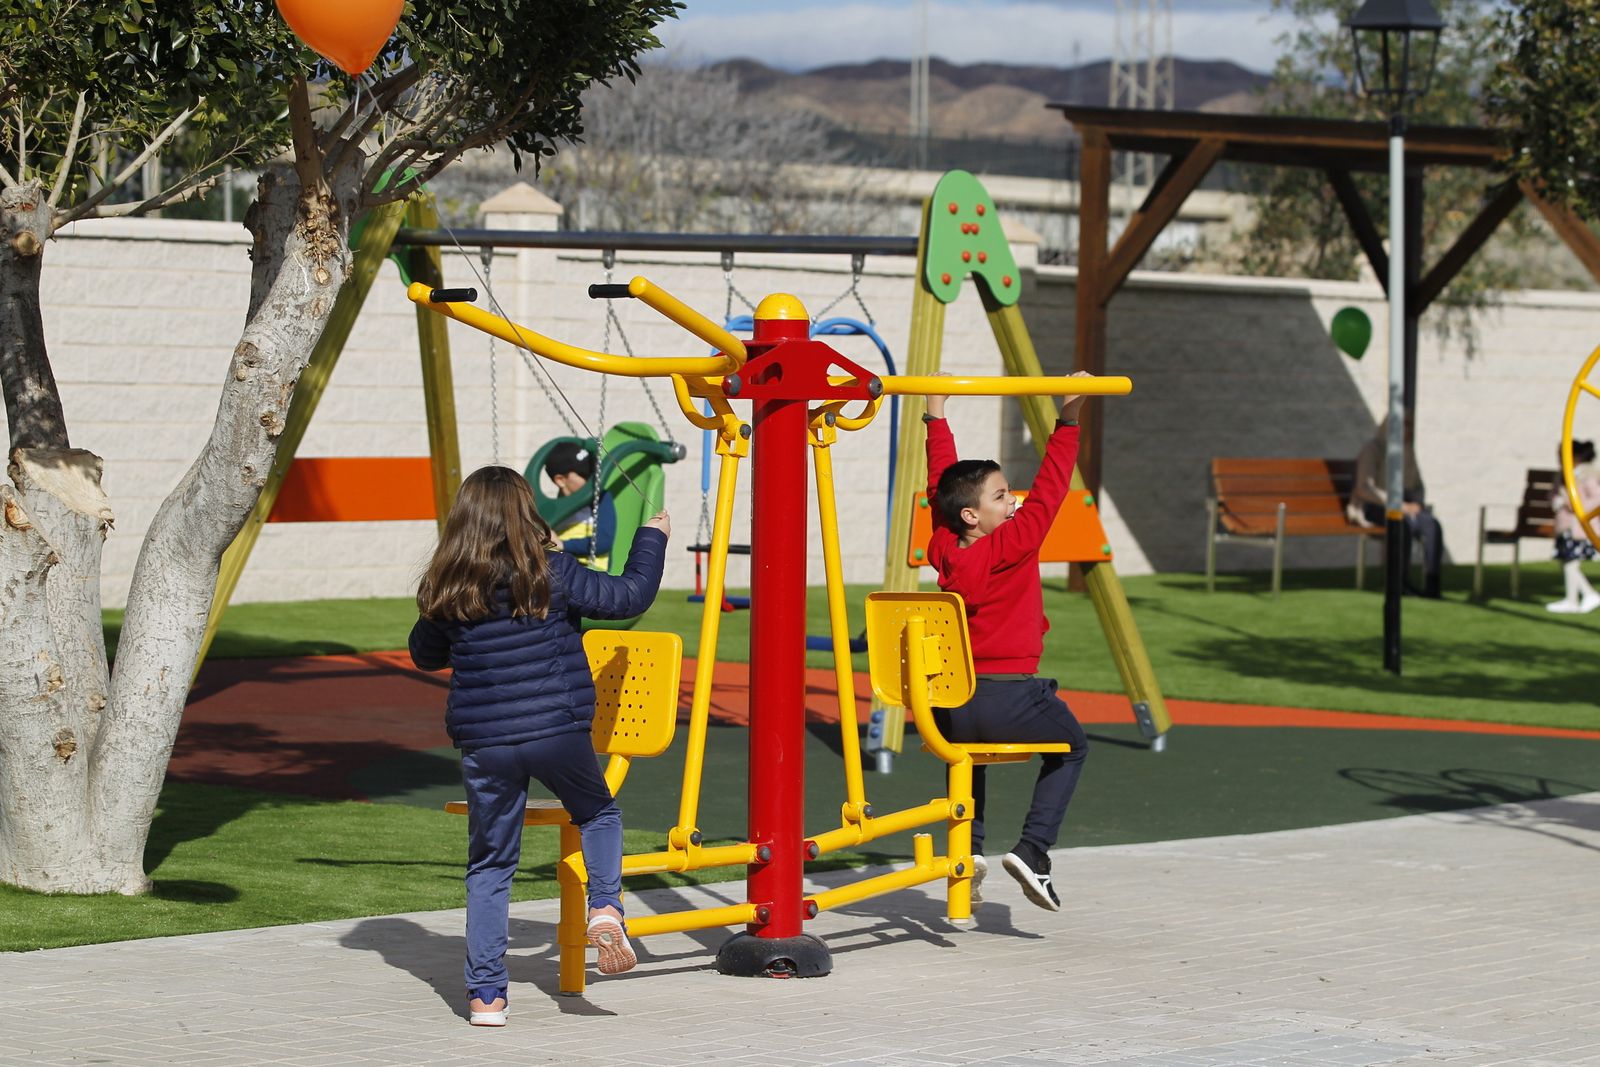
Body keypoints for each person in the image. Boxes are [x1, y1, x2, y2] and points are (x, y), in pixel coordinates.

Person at [409, 465, 670, 1026]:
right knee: (597, 813)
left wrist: (441, 601)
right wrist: (654, 536)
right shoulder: (549, 570)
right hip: (556, 730)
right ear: (528, 515)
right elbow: (627, 596)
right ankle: (604, 905)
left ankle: (486, 998)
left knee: (489, 866)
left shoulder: (448, 583)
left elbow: (426, 655)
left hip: (486, 744)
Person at [922, 373, 1094, 912]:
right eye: (1001, 496)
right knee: (1072, 748)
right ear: (974, 515)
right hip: (1010, 697)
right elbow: (1050, 490)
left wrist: (935, 415)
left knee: (970, 759)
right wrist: (1068, 420)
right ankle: (1034, 851)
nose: (1013, 499)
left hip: (953, 702)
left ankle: (968, 853)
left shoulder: (944, 542)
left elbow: (939, 489)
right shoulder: (1013, 543)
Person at [1350, 417, 1444, 598]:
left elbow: (1417, 484)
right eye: (1404, 426)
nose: (1408, 430)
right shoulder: (1372, 450)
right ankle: (1400, 582)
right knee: (1401, 525)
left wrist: (1417, 502)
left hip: (1406, 506)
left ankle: (1432, 583)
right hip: (1376, 506)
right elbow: (1364, 488)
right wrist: (1398, 505)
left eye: (1410, 426)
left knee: (1432, 525)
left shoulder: (1407, 451)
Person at [543, 441, 617, 567]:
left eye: (593, 473)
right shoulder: (553, 508)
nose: (592, 479)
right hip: (559, 566)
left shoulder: (600, 498)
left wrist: (562, 545)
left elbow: (604, 540)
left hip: (589, 569)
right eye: (584, 475)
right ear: (560, 480)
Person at [1548, 440, 1600, 614]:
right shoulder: (1563, 475)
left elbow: (1596, 499)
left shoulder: (1586, 475)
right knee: (1567, 562)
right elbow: (1554, 494)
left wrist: (1577, 506)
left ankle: (1579, 597)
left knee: (1571, 563)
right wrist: (1557, 500)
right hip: (1565, 527)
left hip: (1580, 527)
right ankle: (1579, 597)